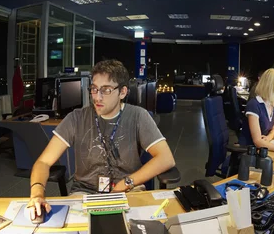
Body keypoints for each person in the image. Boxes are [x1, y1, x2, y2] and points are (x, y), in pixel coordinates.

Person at [26, 60, 175, 219]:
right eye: (94, 89)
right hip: (84, 193)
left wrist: (127, 183)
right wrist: (37, 193)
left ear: (123, 92)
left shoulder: (138, 116)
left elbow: (166, 158)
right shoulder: (76, 118)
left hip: (128, 191)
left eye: (106, 90)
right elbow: (43, 162)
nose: (97, 97)